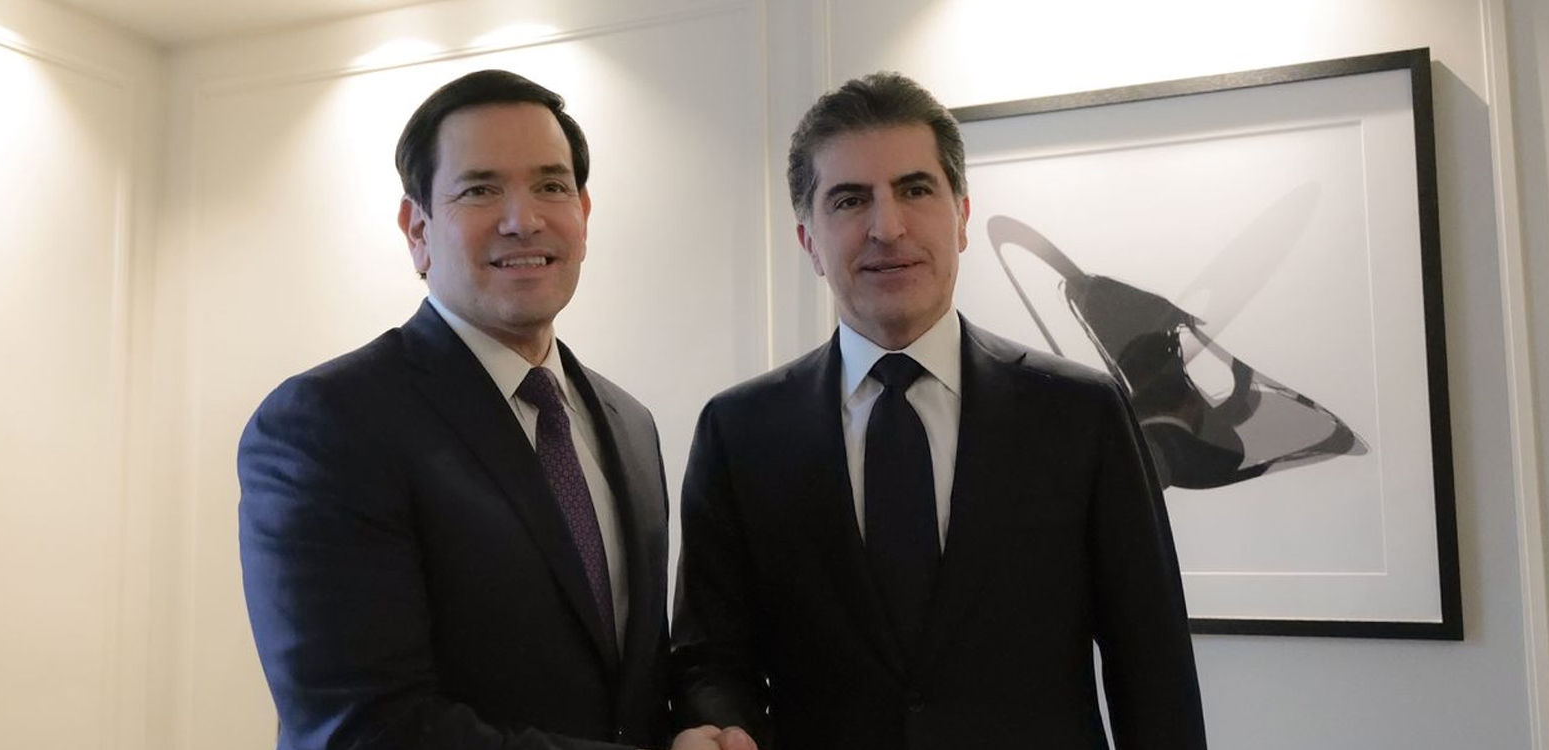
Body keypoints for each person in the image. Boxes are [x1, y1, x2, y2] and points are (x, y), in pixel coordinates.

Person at [671, 71, 1208, 749]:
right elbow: (711, 658)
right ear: (808, 241)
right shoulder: (740, 431)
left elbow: (1153, 668)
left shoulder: (1082, 415)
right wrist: (724, 727)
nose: (886, 227)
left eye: (915, 190)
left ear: (961, 218)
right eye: (849, 200)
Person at [238, 69, 733, 750]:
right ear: (417, 228)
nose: (523, 219)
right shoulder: (326, 425)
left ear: (584, 216)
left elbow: (631, 683)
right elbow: (364, 729)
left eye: (551, 186)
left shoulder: (629, 424)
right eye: (480, 189)